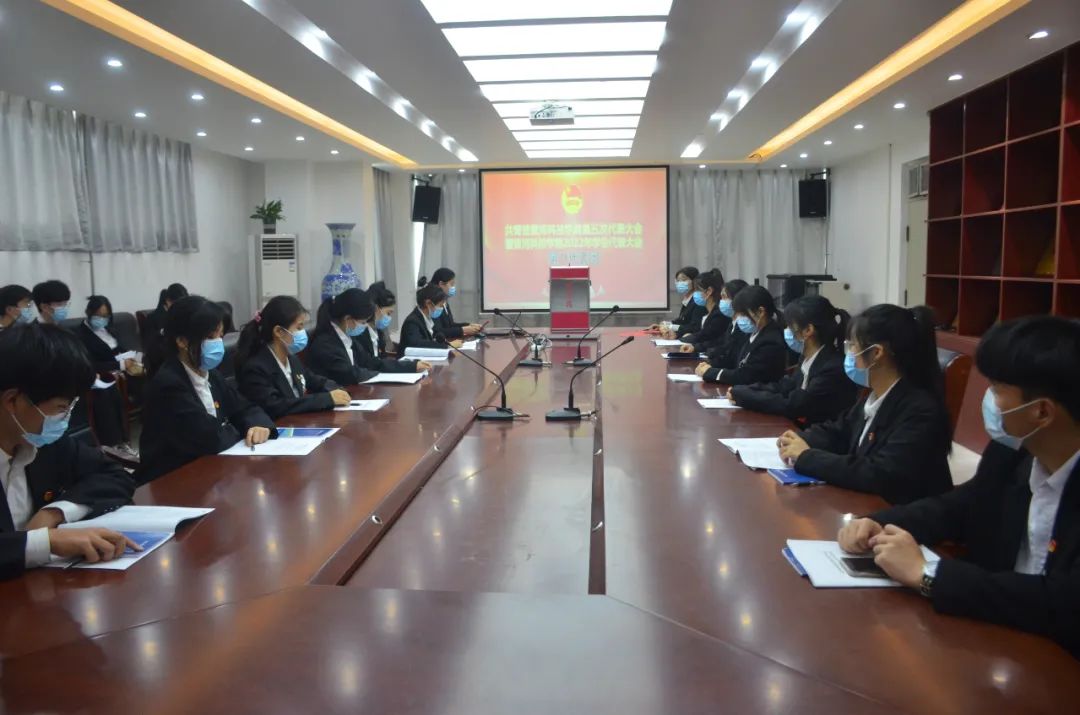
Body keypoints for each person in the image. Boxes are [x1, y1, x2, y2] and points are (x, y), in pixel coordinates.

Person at [837, 316, 1080, 657]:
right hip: (997, 643)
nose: (988, 401)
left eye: (997, 389)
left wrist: (928, 574)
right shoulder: (1011, 455)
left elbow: (1062, 603)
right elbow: (958, 507)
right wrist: (878, 522)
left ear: (1041, 412)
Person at [0, 323, 139, 579]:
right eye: (61, 408)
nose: (64, 420)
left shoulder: (42, 442)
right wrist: (46, 542)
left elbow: (114, 475)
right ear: (12, 401)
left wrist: (54, 513)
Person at [777, 304, 952, 504]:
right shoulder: (875, 395)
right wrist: (800, 439)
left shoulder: (920, 410)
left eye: (852, 346)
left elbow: (878, 473)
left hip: (900, 514)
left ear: (876, 353)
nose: (849, 353)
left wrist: (807, 457)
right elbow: (839, 431)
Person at [137, 296, 276, 484]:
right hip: (172, 481)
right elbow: (210, 438)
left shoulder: (211, 374)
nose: (218, 343)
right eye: (210, 337)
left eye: (220, 336)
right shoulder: (169, 384)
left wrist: (258, 425)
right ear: (182, 341)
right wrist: (242, 429)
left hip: (210, 471)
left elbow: (246, 408)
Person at [728, 295, 857, 426]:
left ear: (808, 330)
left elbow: (793, 405)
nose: (787, 331)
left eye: (790, 326)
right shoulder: (807, 357)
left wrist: (747, 397)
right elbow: (785, 387)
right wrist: (747, 389)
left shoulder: (832, 368)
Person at [235, 296, 351, 418]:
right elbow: (275, 405)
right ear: (279, 332)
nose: (303, 332)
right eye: (299, 327)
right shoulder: (256, 367)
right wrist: (326, 399)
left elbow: (314, 380)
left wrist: (337, 389)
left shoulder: (292, 359)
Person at [308, 289, 431, 386]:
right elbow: (349, 374)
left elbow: (371, 362)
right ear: (348, 319)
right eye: (363, 322)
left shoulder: (347, 337)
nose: (365, 326)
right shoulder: (325, 343)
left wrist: (411, 366)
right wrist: (378, 375)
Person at [76, 296, 142, 457]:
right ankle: (114, 443)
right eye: (98, 315)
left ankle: (131, 436)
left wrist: (131, 357)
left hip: (121, 370)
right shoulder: (81, 335)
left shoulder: (108, 329)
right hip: (102, 375)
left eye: (105, 316)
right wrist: (120, 365)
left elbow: (118, 349)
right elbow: (90, 364)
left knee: (149, 378)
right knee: (108, 393)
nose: (102, 319)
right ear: (89, 313)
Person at [696, 284, 786, 385]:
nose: (739, 318)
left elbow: (746, 376)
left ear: (760, 311)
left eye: (743, 314)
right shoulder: (753, 332)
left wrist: (713, 373)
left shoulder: (771, 341)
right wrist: (709, 365)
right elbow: (733, 360)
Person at [361, 282, 431, 372]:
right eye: (388, 313)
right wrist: (410, 366)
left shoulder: (378, 331)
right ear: (376, 309)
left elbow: (382, 360)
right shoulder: (361, 334)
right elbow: (374, 364)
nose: (389, 317)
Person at [671, 269, 729, 354]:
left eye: (697, 290)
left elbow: (706, 337)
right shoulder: (710, 311)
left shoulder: (719, 314)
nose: (695, 294)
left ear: (709, 291)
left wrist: (681, 340)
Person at [399, 282, 462, 352]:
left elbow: (436, 335)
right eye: (440, 305)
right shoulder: (412, 322)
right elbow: (417, 344)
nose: (441, 309)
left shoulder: (428, 318)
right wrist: (448, 345)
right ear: (428, 303)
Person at [424, 268, 482, 340]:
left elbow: (450, 325)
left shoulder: (443, 301)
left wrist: (469, 325)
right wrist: (463, 330)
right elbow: (437, 331)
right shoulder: (432, 303)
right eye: (451, 284)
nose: (453, 287)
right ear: (441, 284)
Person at [649, 266, 705, 338]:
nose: (680, 283)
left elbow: (694, 327)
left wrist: (670, 327)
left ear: (694, 281)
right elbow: (681, 320)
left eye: (683, 280)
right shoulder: (687, 299)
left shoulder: (698, 301)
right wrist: (664, 325)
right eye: (678, 280)